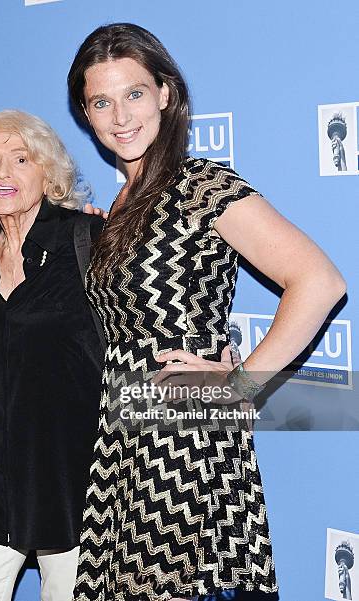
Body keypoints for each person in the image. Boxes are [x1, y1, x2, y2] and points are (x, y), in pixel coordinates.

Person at [67, 23, 346, 601]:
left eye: (135, 94)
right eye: (102, 101)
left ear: (166, 94)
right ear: (86, 113)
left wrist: (241, 384)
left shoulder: (199, 184)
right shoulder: (116, 204)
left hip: (181, 431)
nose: (120, 116)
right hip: (120, 430)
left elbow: (319, 281)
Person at [0, 110, 104, 601]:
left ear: (48, 173)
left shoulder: (89, 241)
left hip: (74, 483)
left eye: (21, 159)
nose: (4, 173)